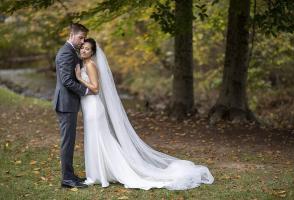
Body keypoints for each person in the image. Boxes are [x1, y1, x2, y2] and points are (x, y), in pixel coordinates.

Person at [74, 38, 214, 190]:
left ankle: (97, 176)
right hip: (89, 107)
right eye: (82, 48)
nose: (83, 51)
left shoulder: (91, 65)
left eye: (87, 49)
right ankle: (98, 174)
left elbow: (95, 89)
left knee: (99, 140)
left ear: (92, 52)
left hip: (94, 108)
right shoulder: (85, 64)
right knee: (96, 140)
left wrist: (80, 78)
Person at [53, 23, 92, 188]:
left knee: (69, 141)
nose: (82, 41)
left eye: (84, 38)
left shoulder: (70, 51)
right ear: (72, 35)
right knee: (67, 142)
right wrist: (85, 90)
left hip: (69, 103)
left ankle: (70, 175)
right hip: (65, 103)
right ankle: (67, 180)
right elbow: (67, 80)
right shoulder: (65, 53)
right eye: (80, 37)